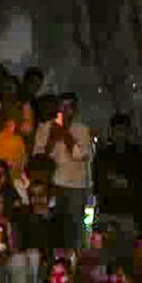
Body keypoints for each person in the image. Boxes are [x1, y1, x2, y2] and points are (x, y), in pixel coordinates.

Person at [32, 92, 92, 249]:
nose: (65, 111)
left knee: (76, 230)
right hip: (53, 185)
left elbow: (80, 154)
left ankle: (75, 263)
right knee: (53, 229)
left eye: (69, 107)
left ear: (75, 109)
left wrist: (65, 134)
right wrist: (52, 138)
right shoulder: (45, 127)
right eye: (62, 106)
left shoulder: (82, 130)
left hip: (76, 186)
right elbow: (38, 157)